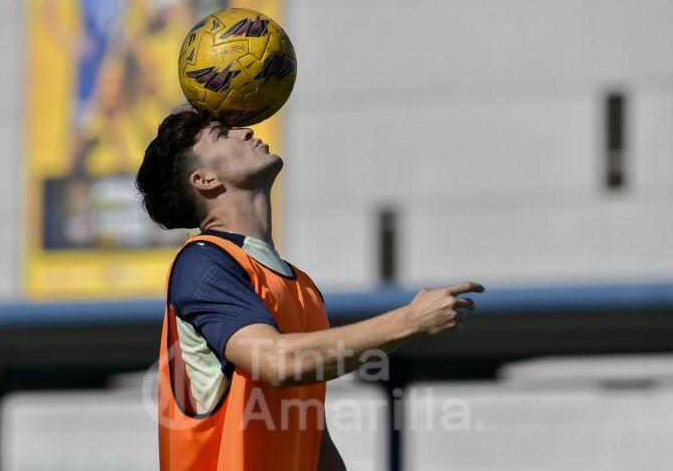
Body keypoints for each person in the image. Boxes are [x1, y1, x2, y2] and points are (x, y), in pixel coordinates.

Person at [136, 107, 484, 471]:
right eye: (222, 134)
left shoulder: (300, 285)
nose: (244, 132)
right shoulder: (203, 262)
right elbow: (278, 362)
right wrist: (410, 320)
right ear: (204, 180)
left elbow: (311, 434)